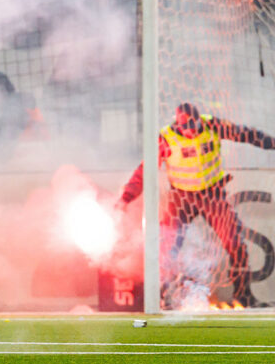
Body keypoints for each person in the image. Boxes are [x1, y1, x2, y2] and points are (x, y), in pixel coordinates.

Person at [117, 103, 275, 308]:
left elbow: (246, 134)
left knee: (235, 243)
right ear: (178, 124)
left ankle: (243, 296)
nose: (191, 131)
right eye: (186, 127)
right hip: (181, 198)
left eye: (194, 125)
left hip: (213, 195)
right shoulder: (166, 138)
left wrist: (271, 143)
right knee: (167, 248)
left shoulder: (213, 126)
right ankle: (160, 297)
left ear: (199, 120)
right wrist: (126, 197)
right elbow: (144, 171)